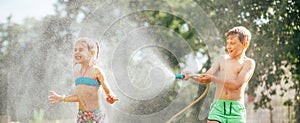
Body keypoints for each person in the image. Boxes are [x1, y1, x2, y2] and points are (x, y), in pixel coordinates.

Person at [184, 26, 255, 123]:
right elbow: (204, 78)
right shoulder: (222, 60)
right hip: (218, 108)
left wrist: (213, 78)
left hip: (236, 110)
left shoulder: (248, 63)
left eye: (233, 43)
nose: (229, 46)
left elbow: (236, 84)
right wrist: (191, 76)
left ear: (245, 44)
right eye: (228, 43)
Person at [49, 37, 119, 123]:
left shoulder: (96, 71)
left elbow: (107, 90)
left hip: (96, 116)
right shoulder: (77, 74)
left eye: (81, 50)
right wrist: (62, 98)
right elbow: (79, 97)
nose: (77, 52)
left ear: (91, 53)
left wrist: (110, 96)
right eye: (75, 50)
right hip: (82, 116)